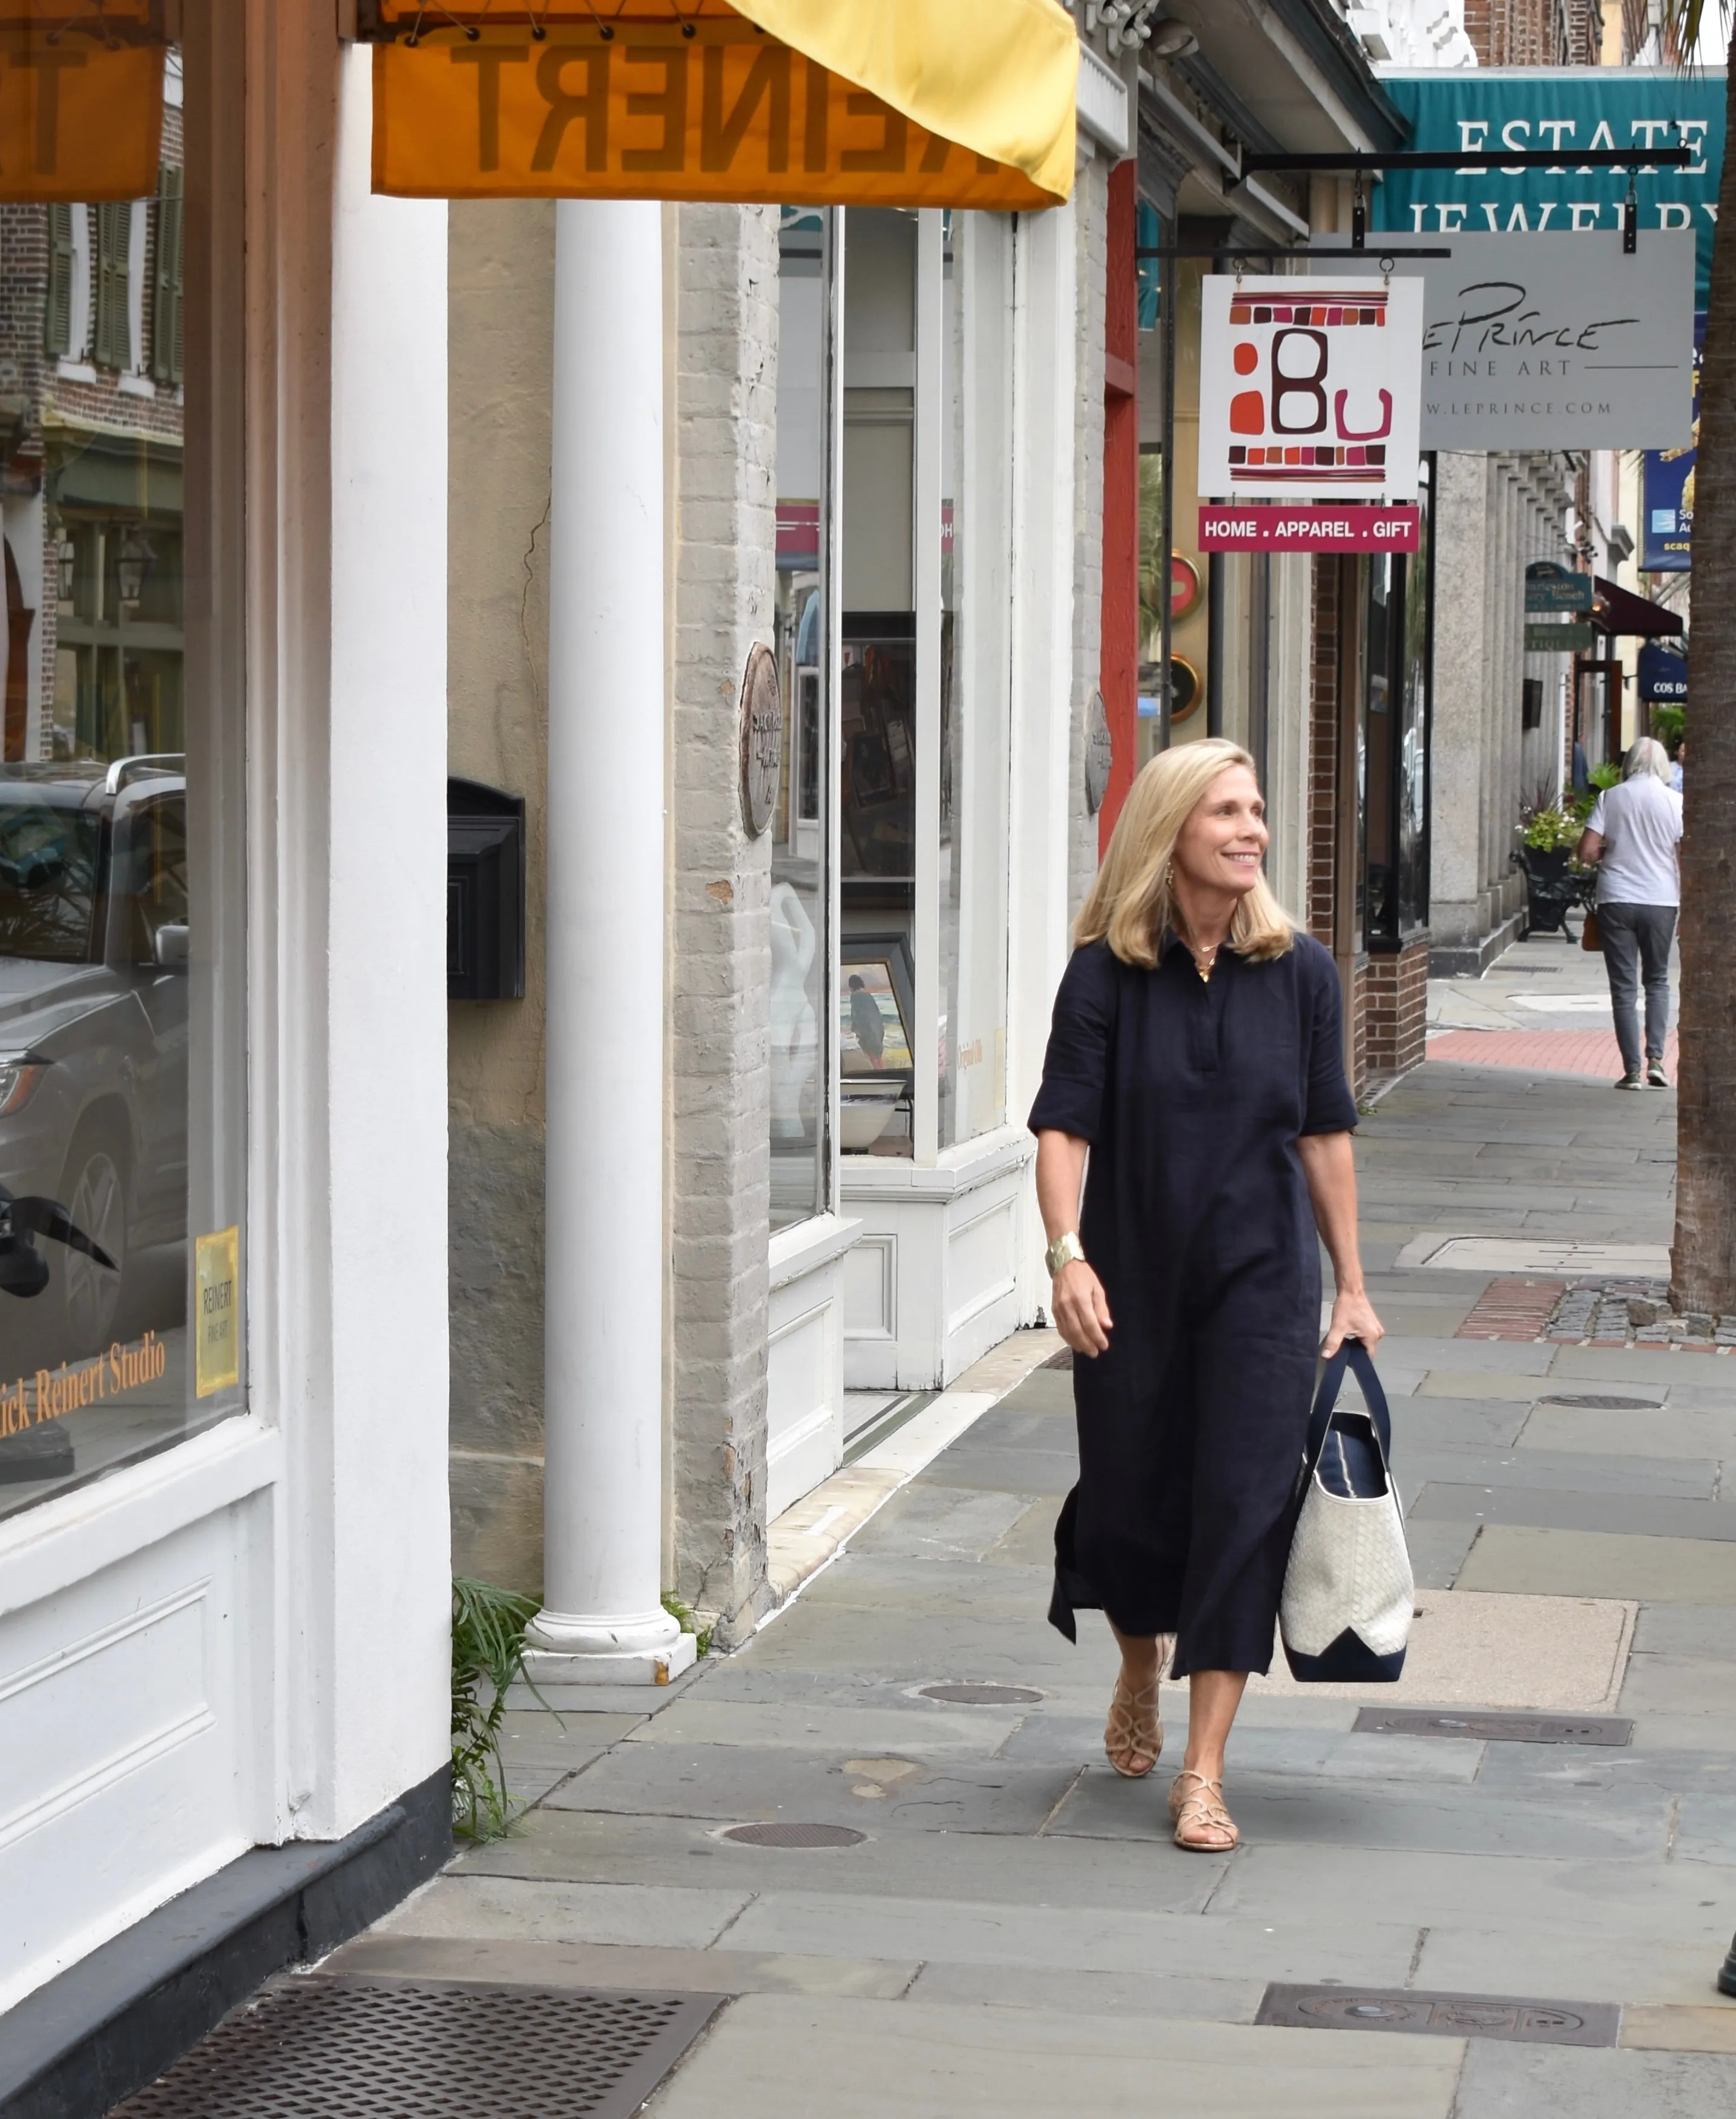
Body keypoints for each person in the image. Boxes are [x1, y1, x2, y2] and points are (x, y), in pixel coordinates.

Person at [1029, 738, 1382, 1854]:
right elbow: (1059, 1128)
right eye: (1226, 811)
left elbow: (1324, 1133)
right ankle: (1137, 1654)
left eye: (1257, 811)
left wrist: (1352, 1287)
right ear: (1171, 829)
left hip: (1260, 1287)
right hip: (1128, 1281)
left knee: (1240, 1508)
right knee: (1133, 1503)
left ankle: (1202, 1771)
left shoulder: (1302, 972)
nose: (1250, 831)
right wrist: (1065, 1257)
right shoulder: (1104, 971)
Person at [1577, 736, 1683, 1089]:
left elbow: (1587, 852)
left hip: (1617, 899)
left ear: (1630, 763)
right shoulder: (1675, 802)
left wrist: (1611, 852)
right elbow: (1683, 858)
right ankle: (1657, 1060)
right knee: (1657, 981)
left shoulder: (1612, 797)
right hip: (1661, 900)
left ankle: (1632, 1071)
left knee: (1623, 988)